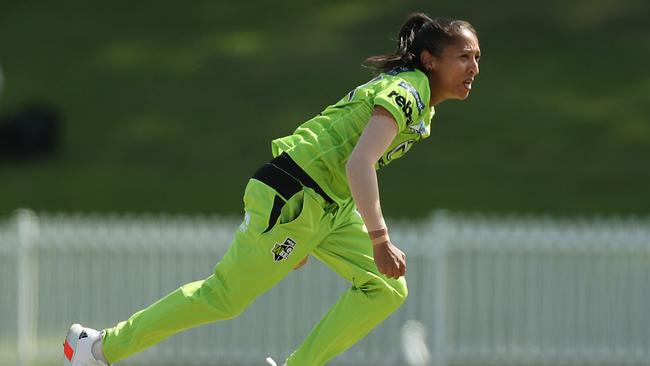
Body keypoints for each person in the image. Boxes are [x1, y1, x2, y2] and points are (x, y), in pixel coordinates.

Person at [63, 12, 480, 366]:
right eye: (463, 57)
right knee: (223, 296)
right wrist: (379, 238)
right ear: (429, 60)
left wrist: (313, 236)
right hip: (295, 195)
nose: (474, 67)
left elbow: (342, 154)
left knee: (386, 286)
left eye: (477, 57)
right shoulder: (409, 90)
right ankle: (97, 347)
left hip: (325, 204)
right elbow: (359, 163)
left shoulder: (420, 101)